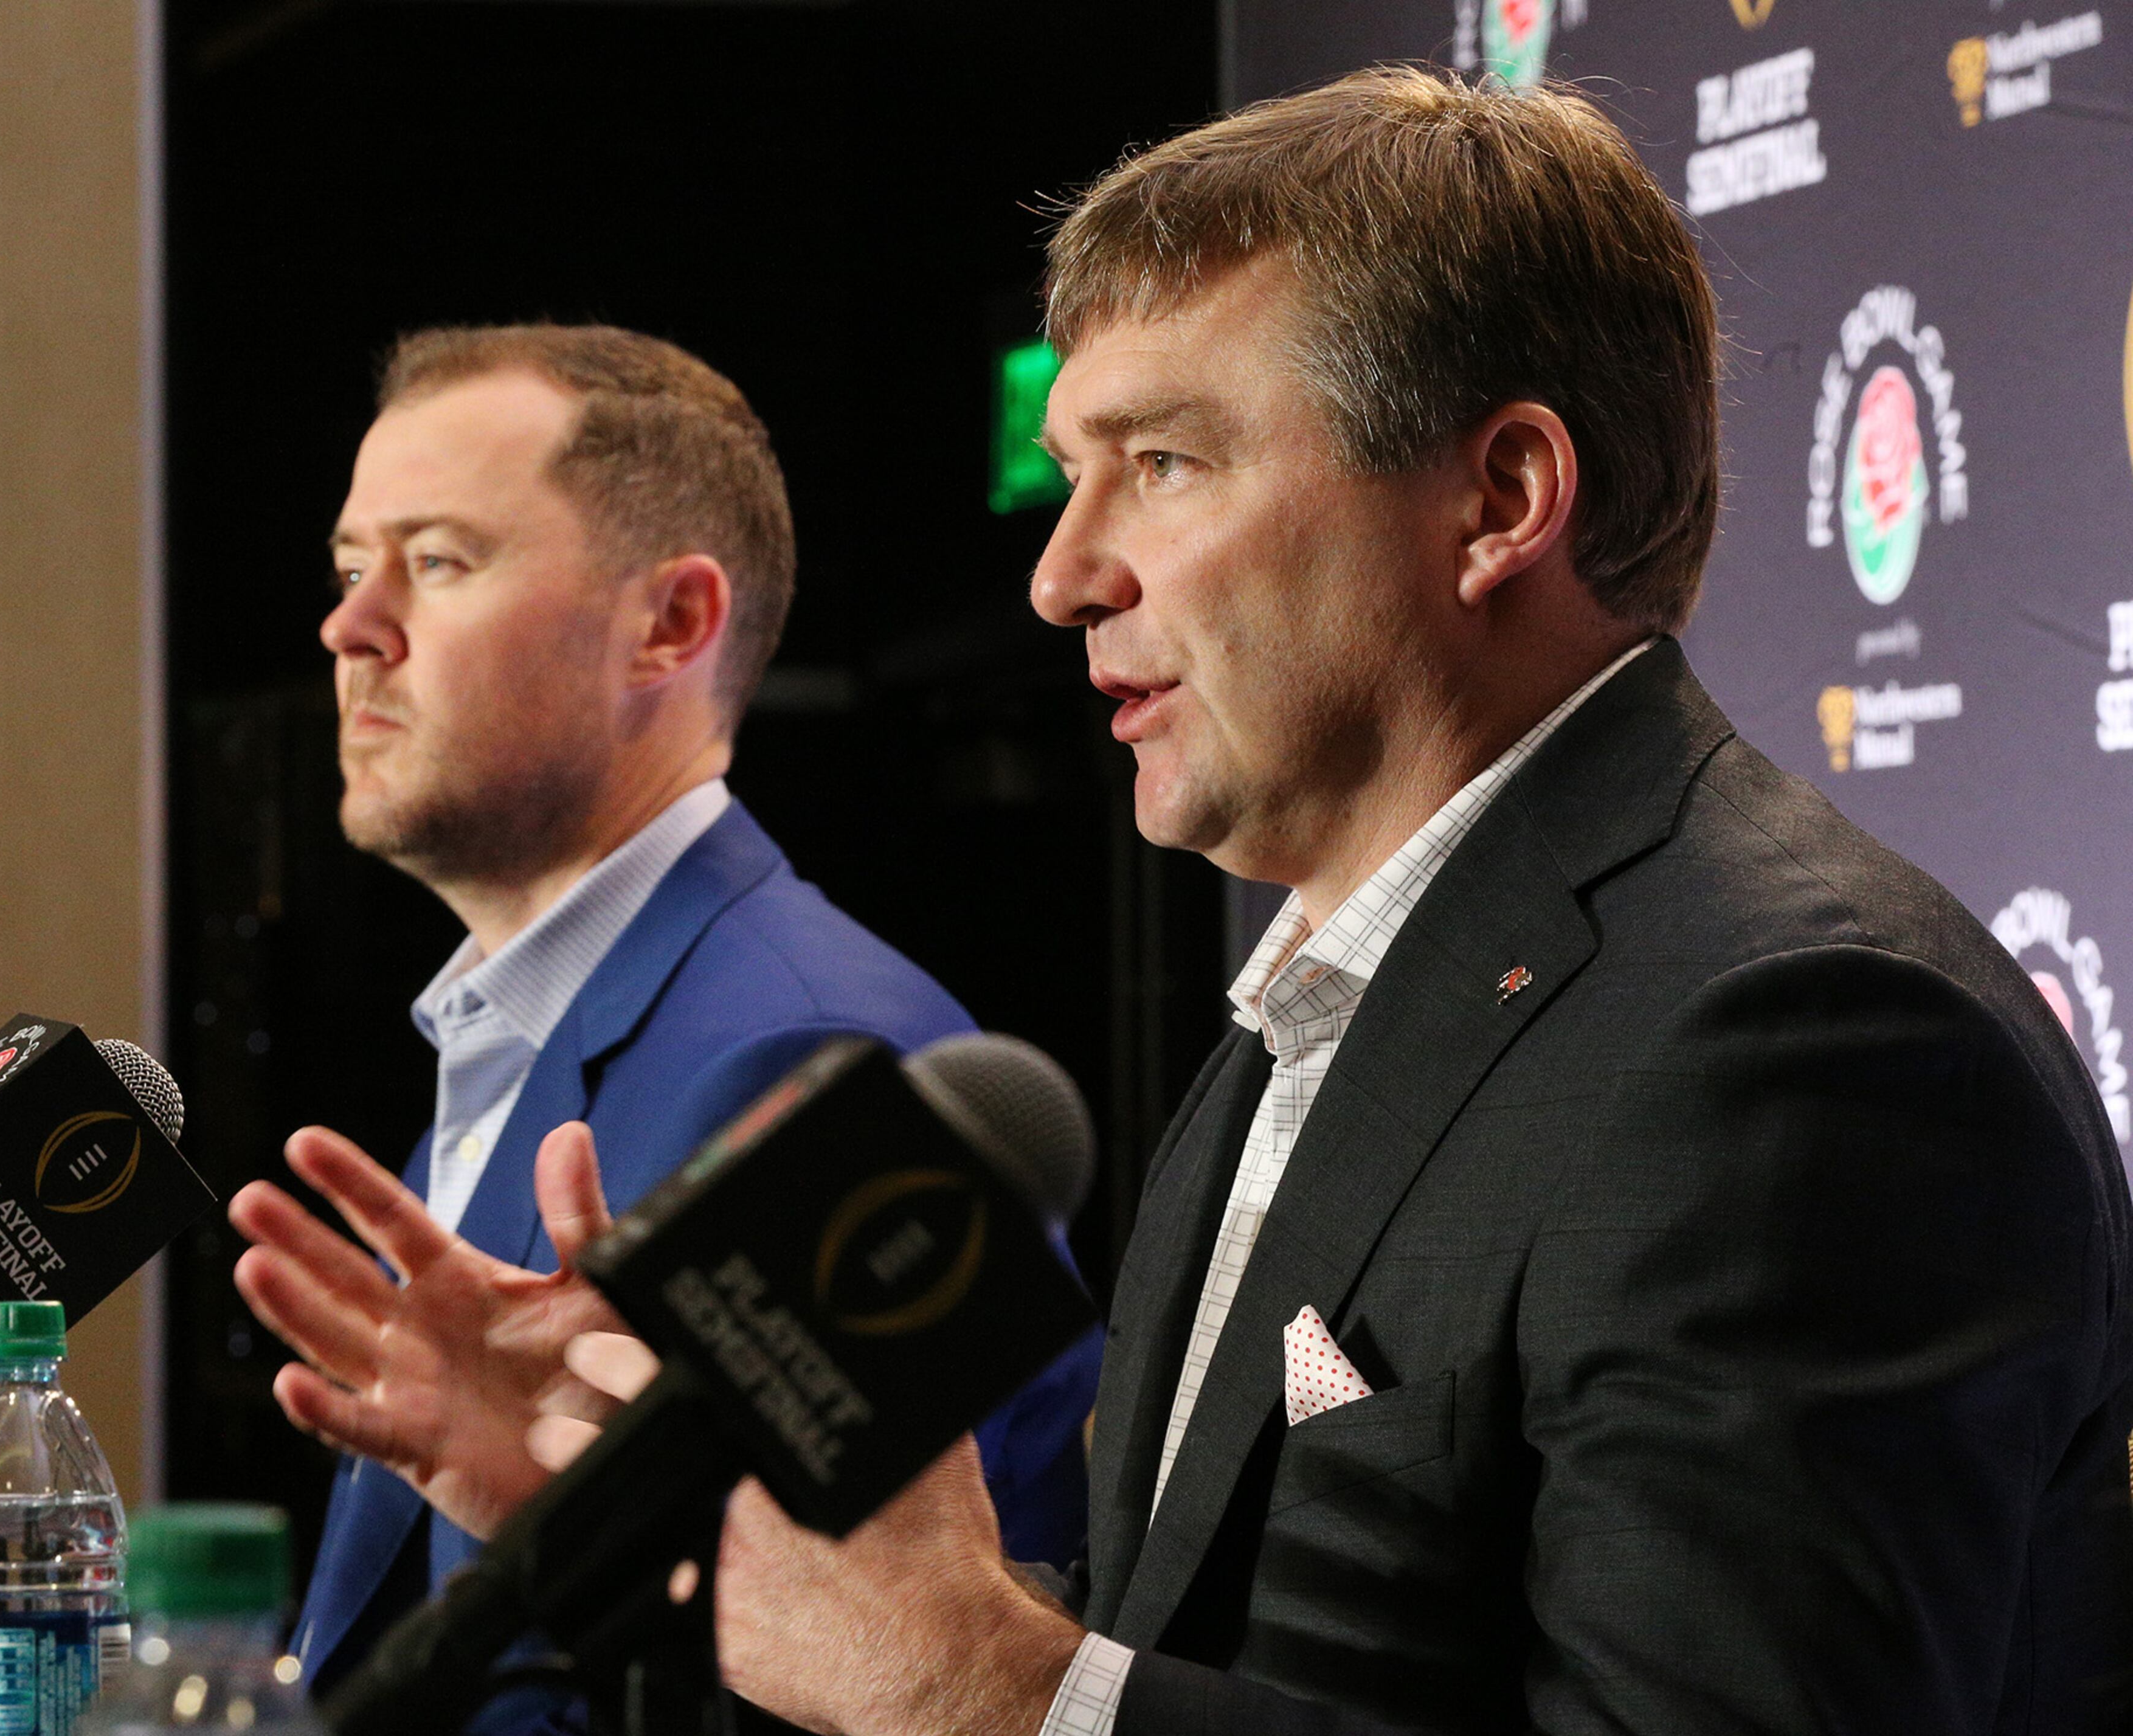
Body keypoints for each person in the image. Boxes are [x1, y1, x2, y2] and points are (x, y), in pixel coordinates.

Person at [672, 69, 2133, 1733]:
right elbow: (1232, 1653)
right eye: (1074, 471)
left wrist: (996, 1697)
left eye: (1161, 461)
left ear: (1500, 502)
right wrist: (698, 1555)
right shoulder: (1318, 1002)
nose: (1063, 574)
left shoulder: (1800, 1039)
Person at [223, 324, 1102, 1723]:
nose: (350, 627)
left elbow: (863, 1680)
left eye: (436, 562)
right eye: (348, 570)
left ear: (672, 626)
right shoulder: (529, 1016)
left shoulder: (812, 1060)